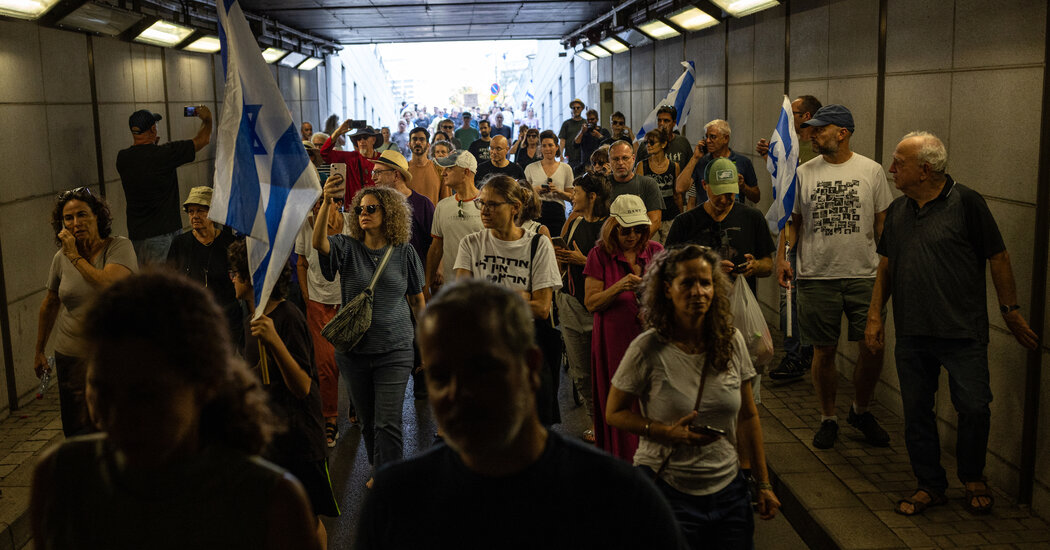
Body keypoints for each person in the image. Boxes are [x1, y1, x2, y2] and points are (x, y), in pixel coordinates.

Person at [354, 279, 684, 548]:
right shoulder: (397, 500)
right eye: (440, 376)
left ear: (531, 367)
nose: (458, 393)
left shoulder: (616, 497)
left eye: (481, 370)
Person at [30, 271, 321, 550]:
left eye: (145, 396)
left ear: (206, 385)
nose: (118, 417)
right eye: (101, 390)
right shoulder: (60, 477)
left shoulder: (271, 501)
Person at [866, 132, 1039, 516]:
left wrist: (1009, 310)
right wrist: (875, 315)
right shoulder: (898, 210)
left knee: (975, 407)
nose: (891, 169)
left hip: (962, 332)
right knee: (917, 412)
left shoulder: (967, 203)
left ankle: (973, 476)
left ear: (925, 170)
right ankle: (930, 484)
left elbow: (999, 256)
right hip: (912, 332)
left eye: (899, 163)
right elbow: (886, 265)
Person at [607, 244, 781, 548]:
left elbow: (748, 415)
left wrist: (763, 483)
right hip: (667, 488)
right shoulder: (647, 348)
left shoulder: (732, 341)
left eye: (705, 282)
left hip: (729, 492)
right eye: (687, 283)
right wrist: (664, 431)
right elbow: (614, 412)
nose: (698, 291)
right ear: (667, 289)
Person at [775, 104, 892, 450]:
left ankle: (860, 410)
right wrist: (782, 257)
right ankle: (828, 418)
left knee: (872, 347)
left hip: (864, 275)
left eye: (820, 129)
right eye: (811, 129)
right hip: (816, 275)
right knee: (823, 351)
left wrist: (889, 270)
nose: (812, 135)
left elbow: (883, 225)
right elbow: (792, 222)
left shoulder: (871, 171)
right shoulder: (803, 173)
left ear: (842, 133)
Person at [313, 180, 425, 483]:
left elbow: (417, 300)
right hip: (354, 352)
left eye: (371, 208)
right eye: (360, 209)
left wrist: (426, 344)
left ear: (388, 213)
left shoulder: (404, 252)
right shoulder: (346, 247)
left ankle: (390, 479)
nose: (364, 213)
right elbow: (319, 243)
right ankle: (379, 466)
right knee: (367, 420)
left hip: (395, 349)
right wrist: (327, 202)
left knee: (388, 421)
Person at [228, 241, 340, 544]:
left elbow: (302, 386)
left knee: (308, 519)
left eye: (236, 273)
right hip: (272, 437)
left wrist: (274, 341)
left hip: (300, 438)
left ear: (252, 277)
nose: (232, 278)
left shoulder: (288, 317)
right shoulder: (252, 321)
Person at [454, 176, 563, 426]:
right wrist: (517, 295)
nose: (484, 210)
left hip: (526, 352)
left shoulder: (538, 245)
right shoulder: (471, 244)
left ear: (515, 207)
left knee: (529, 431)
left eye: (492, 204)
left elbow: (542, 308)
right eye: (481, 203)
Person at [35, 188, 137, 436]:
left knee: (115, 425)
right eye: (68, 218)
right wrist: (39, 350)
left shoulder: (119, 247)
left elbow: (108, 284)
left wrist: (75, 257)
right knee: (76, 429)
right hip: (70, 356)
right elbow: (50, 303)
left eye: (82, 215)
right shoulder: (60, 258)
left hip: (111, 354)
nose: (75, 223)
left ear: (97, 216)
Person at [584, 194, 664, 460]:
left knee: (652, 397)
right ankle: (621, 460)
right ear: (612, 227)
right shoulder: (599, 255)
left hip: (650, 340)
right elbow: (591, 302)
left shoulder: (655, 251)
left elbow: (670, 294)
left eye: (638, 230)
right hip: (614, 341)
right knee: (620, 398)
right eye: (625, 230)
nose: (632, 236)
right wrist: (619, 287)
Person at [758, 95, 822, 383]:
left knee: (804, 299)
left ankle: (804, 352)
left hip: (813, 234)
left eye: (793, 113)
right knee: (789, 298)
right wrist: (771, 156)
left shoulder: (814, 151)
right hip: (791, 229)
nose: (789, 118)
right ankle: (795, 353)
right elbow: (783, 183)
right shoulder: (792, 145)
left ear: (806, 116)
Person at [554, 173, 611, 443]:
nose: (572, 196)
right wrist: (563, 257)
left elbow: (616, 267)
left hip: (601, 308)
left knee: (606, 370)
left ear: (592, 196)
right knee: (581, 373)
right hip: (571, 304)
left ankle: (611, 421)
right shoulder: (574, 221)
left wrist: (583, 260)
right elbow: (566, 261)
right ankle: (594, 421)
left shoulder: (609, 227)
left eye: (576, 192)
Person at [665, 158, 775, 296]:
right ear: (704, 185)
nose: (723, 200)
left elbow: (768, 265)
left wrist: (756, 266)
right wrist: (708, 269)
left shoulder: (753, 218)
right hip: (698, 301)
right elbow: (667, 267)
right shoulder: (685, 222)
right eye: (718, 193)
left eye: (729, 194)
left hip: (740, 302)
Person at [116, 107, 212, 264]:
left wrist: (153, 147)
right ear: (153, 129)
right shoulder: (165, 155)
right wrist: (207, 120)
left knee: (147, 278)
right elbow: (203, 140)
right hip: (163, 236)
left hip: (137, 236)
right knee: (167, 279)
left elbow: (144, 163)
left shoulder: (123, 158)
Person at [295, 195, 349, 448]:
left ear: (337, 203)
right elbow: (302, 263)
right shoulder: (306, 227)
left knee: (352, 358)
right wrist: (307, 296)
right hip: (318, 303)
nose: (318, 208)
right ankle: (330, 417)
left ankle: (357, 404)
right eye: (315, 203)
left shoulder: (351, 224)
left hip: (348, 302)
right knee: (326, 363)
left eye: (325, 202)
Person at [166, 186, 242, 350]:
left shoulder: (230, 243)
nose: (195, 216)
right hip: (193, 321)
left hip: (226, 319)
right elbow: (169, 282)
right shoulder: (180, 244)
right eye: (191, 211)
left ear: (213, 213)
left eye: (201, 211)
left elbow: (242, 279)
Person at [426, 151, 483, 299]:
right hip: (451, 291)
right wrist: (426, 286)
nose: (443, 173)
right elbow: (436, 248)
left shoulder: (487, 206)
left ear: (466, 172)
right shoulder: (443, 206)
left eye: (449, 168)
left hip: (482, 291)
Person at [678, 119, 759, 208]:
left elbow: (756, 197)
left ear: (726, 139)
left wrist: (743, 187)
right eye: (706, 137)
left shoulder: (743, 162)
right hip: (706, 214)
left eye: (713, 137)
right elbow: (680, 188)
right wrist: (695, 158)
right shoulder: (700, 162)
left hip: (733, 214)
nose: (708, 141)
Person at [635, 127, 682, 243]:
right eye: (646, 142)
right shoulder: (642, 166)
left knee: (669, 249)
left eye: (652, 142)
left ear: (663, 144)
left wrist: (681, 217)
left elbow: (677, 195)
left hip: (670, 215)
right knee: (650, 249)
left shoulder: (674, 166)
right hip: (649, 217)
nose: (648, 145)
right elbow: (638, 195)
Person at [524, 130, 573, 236]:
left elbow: (572, 197)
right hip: (537, 212)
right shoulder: (530, 168)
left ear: (556, 147)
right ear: (540, 148)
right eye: (544, 146)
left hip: (557, 213)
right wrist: (535, 191)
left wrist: (559, 192)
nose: (547, 149)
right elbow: (523, 196)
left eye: (550, 145)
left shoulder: (566, 168)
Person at [608, 141, 663, 234]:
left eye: (625, 158)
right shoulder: (602, 185)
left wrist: (637, 241)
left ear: (633, 158)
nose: (620, 163)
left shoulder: (648, 184)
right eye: (615, 159)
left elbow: (655, 221)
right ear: (609, 161)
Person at [320, 123, 381, 198]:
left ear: (374, 140)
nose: (362, 141)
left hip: (377, 203)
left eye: (365, 137)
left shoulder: (382, 159)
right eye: (358, 138)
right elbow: (325, 153)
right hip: (353, 204)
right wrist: (337, 133)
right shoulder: (350, 157)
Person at [407, 127, 447, 206]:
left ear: (428, 145)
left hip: (433, 214)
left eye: (422, 139)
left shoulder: (439, 170)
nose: (418, 142)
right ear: (409, 144)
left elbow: (446, 202)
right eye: (414, 139)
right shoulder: (403, 170)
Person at [575, 109, 611, 174]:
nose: (590, 121)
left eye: (592, 119)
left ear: (597, 119)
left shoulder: (603, 131)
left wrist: (599, 136)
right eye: (588, 120)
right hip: (586, 165)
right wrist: (582, 132)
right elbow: (575, 144)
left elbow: (609, 145)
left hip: (600, 164)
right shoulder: (584, 132)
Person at [558, 98, 586, 170]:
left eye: (578, 108)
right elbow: (562, 140)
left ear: (582, 109)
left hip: (583, 157)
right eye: (574, 108)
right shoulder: (566, 124)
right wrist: (561, 154)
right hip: (570, 157)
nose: (576, 109)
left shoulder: (585, 123)